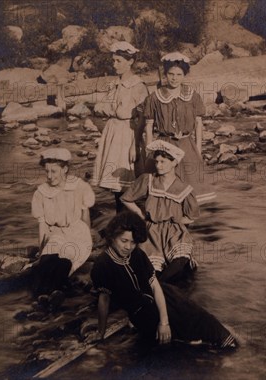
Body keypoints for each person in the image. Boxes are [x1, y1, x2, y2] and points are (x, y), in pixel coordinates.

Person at [90, 211, 236, 348]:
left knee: (212, 329)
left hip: (167, 299)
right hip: (143, 315)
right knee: (183, 343)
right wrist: (100, 333)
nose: (128, 247)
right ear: (111, 237)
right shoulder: (102, 265)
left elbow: (154, 286)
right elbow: (104, 299)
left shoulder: (137, 254)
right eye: (124, 241)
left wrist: (164, 322)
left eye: (133, 242)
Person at [121, 140, 199, 285]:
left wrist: (179, 221)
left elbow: (192, 216)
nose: (158, 166)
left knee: (181, 259)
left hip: (175, 231)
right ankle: (156, 287)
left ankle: (160, 286)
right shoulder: (148, 180)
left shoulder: (184, 188)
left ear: (174, 162)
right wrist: (140, 213)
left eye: (163, 162)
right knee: (152, 269)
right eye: (156, 162)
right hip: (152, 231)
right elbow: (126, 199)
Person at [143, 52, 216, 204]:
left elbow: (198, 123)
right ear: (165, 74)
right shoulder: (154, 97)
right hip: (164, 145)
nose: (174, 78)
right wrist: (149, 151)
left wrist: (198, 150)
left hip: (186, 145)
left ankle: (185, 224)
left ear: (184, 75)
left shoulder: (193, 96)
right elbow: (148, 126)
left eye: (179, 74)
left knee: (189, 189)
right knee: (164, 188)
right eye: (171, 74)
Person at [31, 148, 95, 306]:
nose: (49, 176)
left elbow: (85, 217)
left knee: (64, 262)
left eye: (54, 171)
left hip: (77, 232)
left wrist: (89, 240)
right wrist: (41, 251)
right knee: (46, 261)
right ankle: (44, 295)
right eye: (47, 171)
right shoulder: (41, 193)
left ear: (65, 169)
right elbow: (43, 226)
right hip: (56, 233)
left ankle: (54, 294)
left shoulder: (79, 187)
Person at [91, 41, 149, 212]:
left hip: (128, 134)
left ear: (130, 61)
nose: (114, 65)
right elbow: (102, 108)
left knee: (128, 183)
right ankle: (121, 224)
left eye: (118, 61)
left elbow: (142, 119)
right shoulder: (114, 85)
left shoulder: (138, 86)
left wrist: (135, 145)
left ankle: (135, 223)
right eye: (114, 61)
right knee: (116, 186)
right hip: (113, 133)